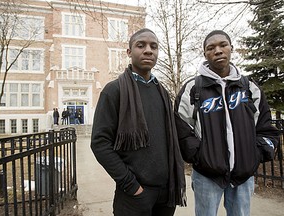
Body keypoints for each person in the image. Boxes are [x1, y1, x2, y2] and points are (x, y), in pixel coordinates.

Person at [174, 30, 279, 216]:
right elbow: (181, 129)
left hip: (243, 176)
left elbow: (265, 127)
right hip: (207, 176)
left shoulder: (249, 88)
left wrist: (255, 155)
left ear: (232, 48)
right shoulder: (193, 88)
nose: (218, 51)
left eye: (223, 45)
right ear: (205, 54)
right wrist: (199, 155)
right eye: (211, 48)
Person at [91, 28, 186, 216]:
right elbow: (100, 143)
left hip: (166, 193)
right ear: (129, 52)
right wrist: (131, 185)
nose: (148, 50)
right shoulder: (114, 90)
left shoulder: (163, 92)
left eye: (154, 46)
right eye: (140, 45)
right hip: (134, 195)